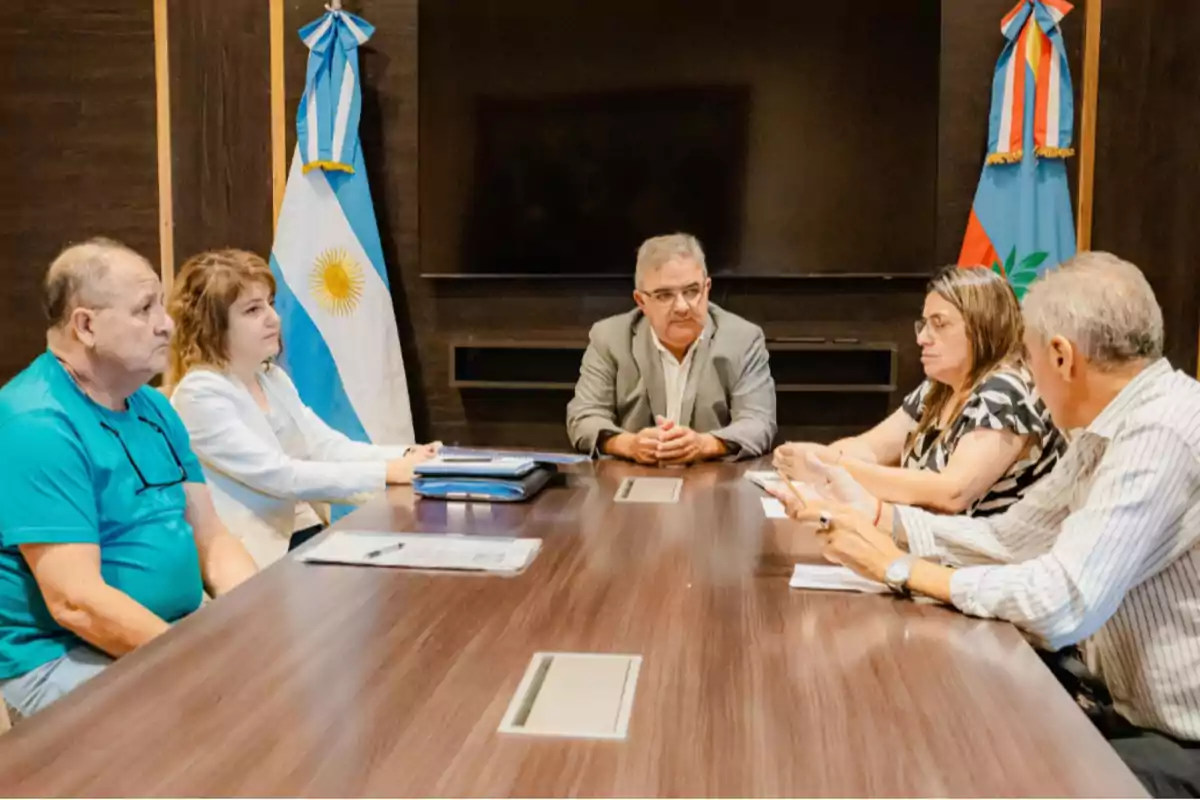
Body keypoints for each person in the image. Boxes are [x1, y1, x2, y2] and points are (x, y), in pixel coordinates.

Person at [772, 252, 1200, 797]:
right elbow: (1010, 539)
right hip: (1117, 705)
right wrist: (878, 518)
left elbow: (1061, 601)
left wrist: (901, 568)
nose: (1027, 373)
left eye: (1030, 356)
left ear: (1062, 357)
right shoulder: (1107, 427)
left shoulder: (1161, 434)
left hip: (1175, 740)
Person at [0, 238, 259, 718]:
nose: (167, 323)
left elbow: (212, 539)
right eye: (145, 309)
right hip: (64, 656)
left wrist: (254, 622)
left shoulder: (154, 407)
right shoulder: (36, 423)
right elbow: (76, 603)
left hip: (166, 635)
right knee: (228, 721)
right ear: (86, 325)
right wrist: (196, 661)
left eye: (160, 304)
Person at [167, 249, 438, 567]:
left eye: (269, 303)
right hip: (257, 556)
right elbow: (280, 475)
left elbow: (326, 447)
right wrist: (389, 473)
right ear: (211, 325)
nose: (273, 318)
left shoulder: (270, 378)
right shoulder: (199, 394)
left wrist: (409, 457)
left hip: (307, 531)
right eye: (253, 310)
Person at [775, 265, 1064, 517]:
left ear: (982, 327)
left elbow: (952, 492)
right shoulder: (938, 389)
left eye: (939, 324)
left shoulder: (1006, 391)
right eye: (924, 324)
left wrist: (829, 466)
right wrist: (809, 459)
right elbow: (871, 448)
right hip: (934, 551)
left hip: (986, 566)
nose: (922, 338)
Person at [566, 233, 776, 464]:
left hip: (712, 484)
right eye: (664, 295)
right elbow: (584, 417)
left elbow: (758, 423)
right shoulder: (610, 338)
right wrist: (630, 445)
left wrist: (703, 444)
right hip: (634, 482)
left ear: (707, 289)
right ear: (641, 302)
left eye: (692, 291)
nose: (682, 307)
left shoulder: (743, 339)